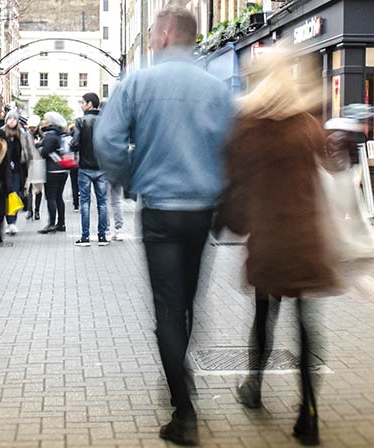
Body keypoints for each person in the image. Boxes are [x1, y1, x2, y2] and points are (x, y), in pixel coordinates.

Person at [93, 5, 235, 445]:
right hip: (201, 213)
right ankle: (179, 376)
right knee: (188, 302)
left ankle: (184, 411)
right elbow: (234, 149)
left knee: (167, 308)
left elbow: (106, 140)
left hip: (159, 209)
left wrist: (132, 178)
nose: (151, 38)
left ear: (169, 32)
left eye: (154, 31)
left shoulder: (138, 82)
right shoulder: (218, 89)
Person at [217, 52, 338, 446]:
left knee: (264, 317)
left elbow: (235, 188)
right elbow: (328, 167)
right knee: (306, 324)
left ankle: (253, 387)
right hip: (306, 238)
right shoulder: (307, 123)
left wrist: (235, 223)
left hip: (269, 240)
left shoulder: (248, 126)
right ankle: (309, 413)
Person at [322, 105, 374, 261]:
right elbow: (341, 160)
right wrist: (349, 174)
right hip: (342, 179)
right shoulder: (344, 136)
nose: (367, 125)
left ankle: (350, 246)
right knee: (352, 212)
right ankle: (352, 246)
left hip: (339, 178)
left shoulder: (338, 133)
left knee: (349, 213)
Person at [72, 93, 109, 246]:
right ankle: (102, 236)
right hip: (102, 167)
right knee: (102, 202)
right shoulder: (106, 121)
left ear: (89, 104)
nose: (81, 105)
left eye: (83, 102)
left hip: (85, 167)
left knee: (85, 202)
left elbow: (74, 143)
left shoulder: (81, 121)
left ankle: (85, 237)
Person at [37, 112, 71, 234]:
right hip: (63, 169)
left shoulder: (50, 136)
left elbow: (45, 152)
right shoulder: (61, 134)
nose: (43, 121)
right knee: (59, 197)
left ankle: (51, 224)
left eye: (45, 120)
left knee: (51, 197)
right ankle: (61, 223)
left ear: (50, 122)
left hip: (52, 170)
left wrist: (39, 146)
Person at [4, 111, 36, 234]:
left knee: (14, 195)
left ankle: (12, 222)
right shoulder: (1, 133)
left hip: (18, 170)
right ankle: (6, 221)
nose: (11, 121)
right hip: (3, 171)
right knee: (5, 196)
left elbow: (28, 151)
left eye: (14, 119)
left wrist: (29, 166)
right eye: (9, 118)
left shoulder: (23, 135)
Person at [24, 115, 47, 222]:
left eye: (33, 127)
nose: (32, 129)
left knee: (38, 189)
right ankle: (30, 210)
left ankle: (37, 210)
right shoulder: (26, 136)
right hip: (28, 164)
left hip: (39, 163)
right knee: (28, 187)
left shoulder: (43, 136)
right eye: (30, 127)